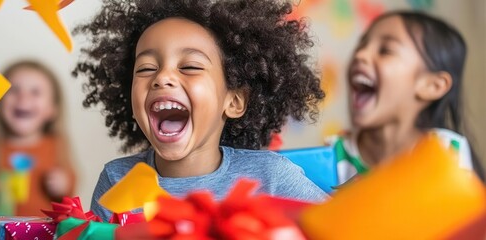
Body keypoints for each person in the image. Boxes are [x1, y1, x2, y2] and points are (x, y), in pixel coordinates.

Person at [72, 0, 329, 221]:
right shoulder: (115, 179)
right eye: (146, 68)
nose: (162, 77)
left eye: (190, 67)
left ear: (234, 101)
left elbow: (341, 225)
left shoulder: (271, 177)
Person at [328, 11, 484, 185]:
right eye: (360, 46)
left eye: (385, 50)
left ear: (433, 86)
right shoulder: (332, 154)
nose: (359, 55)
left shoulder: (447, 151)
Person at [0, 60, 76, 216]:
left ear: (52, 109)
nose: (23, 97)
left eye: (35, 92)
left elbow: (70, 188)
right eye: (13, 90)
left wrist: (63, 184)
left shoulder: (55, 145)